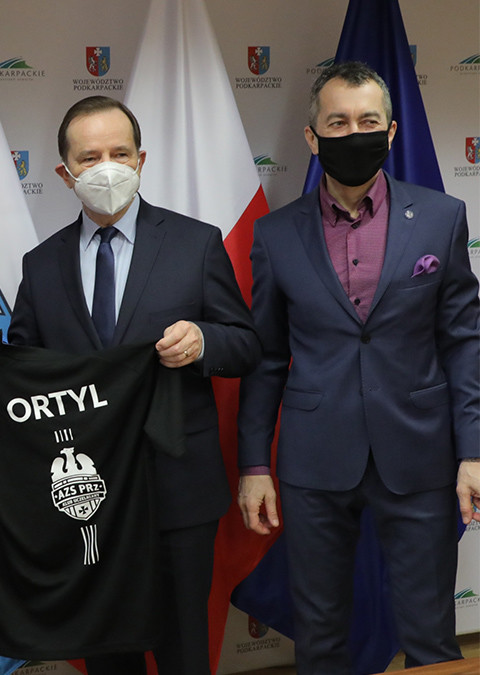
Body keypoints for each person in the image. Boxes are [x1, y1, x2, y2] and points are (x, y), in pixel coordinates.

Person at [237, 61, 480, 672]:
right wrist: (255, 465)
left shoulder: (442, 217)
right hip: (315, 459)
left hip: (421, 453)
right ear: (312, 136)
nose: (354, 133)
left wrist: (474, 451)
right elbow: (266, 358)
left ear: (391, 131)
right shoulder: (275, 234)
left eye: (368, 121)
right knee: (319, 639)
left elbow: (463, 342)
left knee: (431, 638)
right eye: (338, 123)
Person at [8, 95, 260, 675]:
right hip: (87, 495)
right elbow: (23, 371)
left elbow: (245, 345)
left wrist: (203, 341)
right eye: (90, 157)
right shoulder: (40, 265)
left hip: (179, 485)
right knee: (108, 652)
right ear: (64, 173)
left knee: (184, 651)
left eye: (120, 153)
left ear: (141, 160)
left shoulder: (195, 243)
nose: (107, 167)